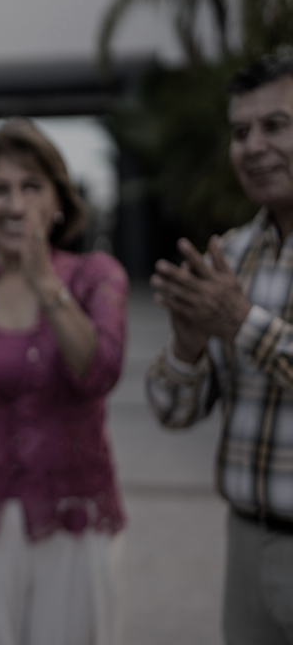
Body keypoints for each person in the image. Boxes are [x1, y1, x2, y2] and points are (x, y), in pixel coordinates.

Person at [0, 120, 128, 645]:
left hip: (73, 520)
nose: (15, 204)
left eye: (31, 186)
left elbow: (100, 371)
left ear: (59, 199)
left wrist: (45, 283)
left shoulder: (94, 276)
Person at [146, 51, 293, 643]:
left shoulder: (229, 290)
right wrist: (187, 347)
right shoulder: (227, 257)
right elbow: (173, 410)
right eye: (240, 132)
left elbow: (243, 325)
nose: (253, 146)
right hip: (246, 542)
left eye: (275, 125)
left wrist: (241, 321)